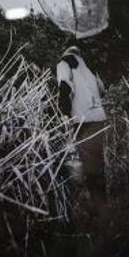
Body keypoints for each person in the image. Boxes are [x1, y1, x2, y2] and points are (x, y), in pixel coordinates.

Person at [56, 45, 108, 196]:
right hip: (99, 118)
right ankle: (103, 199)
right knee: (98, 161)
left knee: (87, 163)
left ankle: (96, 203)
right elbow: (102, 90)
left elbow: (65, 87)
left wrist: (64, 114)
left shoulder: (64, 64)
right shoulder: (89, 65)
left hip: (82, 120)